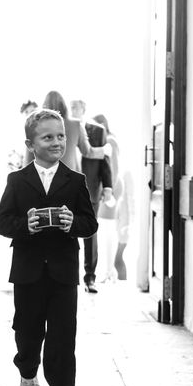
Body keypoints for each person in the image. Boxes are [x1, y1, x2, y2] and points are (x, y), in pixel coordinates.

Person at [0, 108, 98, 386]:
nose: (57, 142)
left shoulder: (75, 180)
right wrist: (24, 225)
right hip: (27, 270)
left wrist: (72, 223)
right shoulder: (17, 180)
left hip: (64, 271)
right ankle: (27, 370)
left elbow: (89, 223)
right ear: (31, 143)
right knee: (27, 331)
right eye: (48, 137)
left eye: (61, 136)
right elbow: (1, 222)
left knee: (63, 335)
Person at [72, 100, 113, 293]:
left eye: (76, 108)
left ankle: (90, 277)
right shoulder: (62, 128)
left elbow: (105, 161)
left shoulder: (97, 131)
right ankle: (69, 276)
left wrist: (108, 187)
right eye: (70, 108)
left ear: (83, 110)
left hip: (91, 189)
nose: (73, 111)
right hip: (68, 190)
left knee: (89, 232)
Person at [23, 91, 111, 172]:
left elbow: (27, 161)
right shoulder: (76, 125)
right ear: (64, 105)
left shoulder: (35, 126)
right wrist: (104, 150)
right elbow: (87, 152)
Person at [93, 114, 134, 282]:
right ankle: (107, 271)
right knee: (104, 230)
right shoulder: (109, 141)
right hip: (109, 187)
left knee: (108, 230)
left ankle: (109, 272)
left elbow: (114, 169)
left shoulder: (110, 141)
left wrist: (106, 190)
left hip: (111, 188)